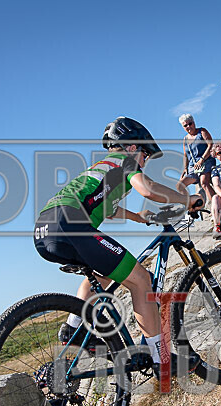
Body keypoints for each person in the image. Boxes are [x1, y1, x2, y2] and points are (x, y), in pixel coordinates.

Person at [34, 117, 203, 378]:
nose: (145, 162)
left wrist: (139, 217)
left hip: (46, 228)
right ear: (133, 147)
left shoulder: (102, 169)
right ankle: (162, 359)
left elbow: (108, 210)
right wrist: (185, 199)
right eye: (145, 154)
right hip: (72, 225)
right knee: (141, 279)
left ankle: (74, 327)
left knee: (100, 272)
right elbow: (147, 188)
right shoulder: (124, 162)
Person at [177, 114, 216, 202]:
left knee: (204, 183)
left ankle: (218, 206)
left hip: (206, 162)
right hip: (193, 167)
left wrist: (202, 159)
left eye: (190, 124)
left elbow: (210, 145)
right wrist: (185, 168)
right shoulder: (185, 139)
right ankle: (192, 204)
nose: (188, 126)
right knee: (180, 186)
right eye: (185, 125)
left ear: (194, 123)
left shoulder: (202, 131)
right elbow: (186, 155)